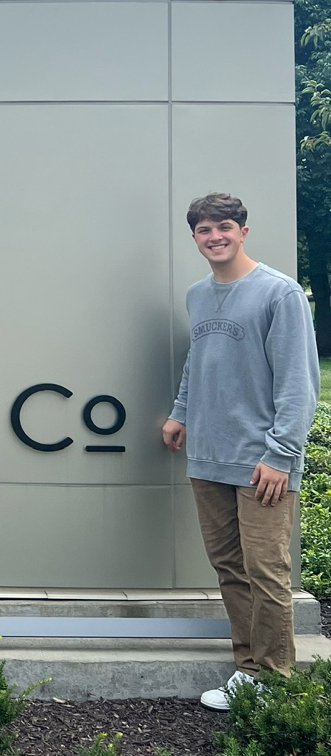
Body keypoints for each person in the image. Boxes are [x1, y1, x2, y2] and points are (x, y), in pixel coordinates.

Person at [162, 192, 318, 711]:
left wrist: (281, 455)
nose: (215, 237)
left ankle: (274, 680)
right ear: (195, 238)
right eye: (205, 230)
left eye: (224, 227)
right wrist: (181, 412)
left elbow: (299, 383)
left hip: (262, 463)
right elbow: (197, 360)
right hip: (209, 454)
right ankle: (248, 670)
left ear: (242, 232)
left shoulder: (280, 293)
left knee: (266, 571)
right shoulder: (197, 295)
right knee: (230, 568)